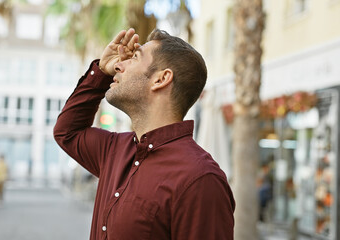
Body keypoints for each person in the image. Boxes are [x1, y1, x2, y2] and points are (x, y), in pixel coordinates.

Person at [54, 28, 235, 240]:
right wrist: (101, 74)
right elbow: (67, 132)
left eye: (134, 58)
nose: (118, 65)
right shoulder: (115, 149)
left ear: (161, 79)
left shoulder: (200, 179)